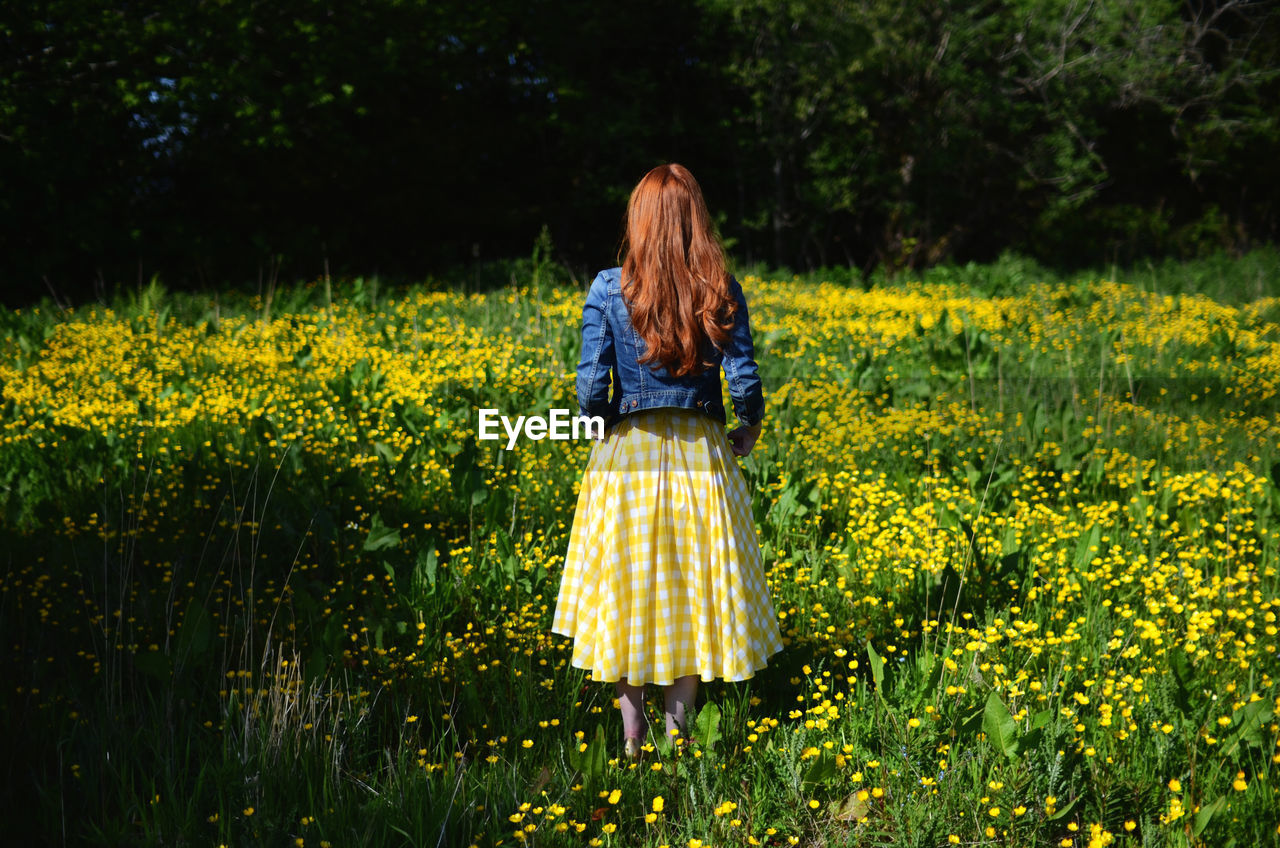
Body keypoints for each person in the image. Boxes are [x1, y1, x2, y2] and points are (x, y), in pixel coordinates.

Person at [551, 163, 783, 761]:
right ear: (695, 222)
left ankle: (631, 740)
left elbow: (586, 388)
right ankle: (678, 735)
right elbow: (745, 378)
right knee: (691, 589)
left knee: (626, 589)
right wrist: (748, 427)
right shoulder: (720, 288)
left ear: (639, 219)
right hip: (700, 457)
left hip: (627, 453)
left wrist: (602, 422)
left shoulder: (608, 287)